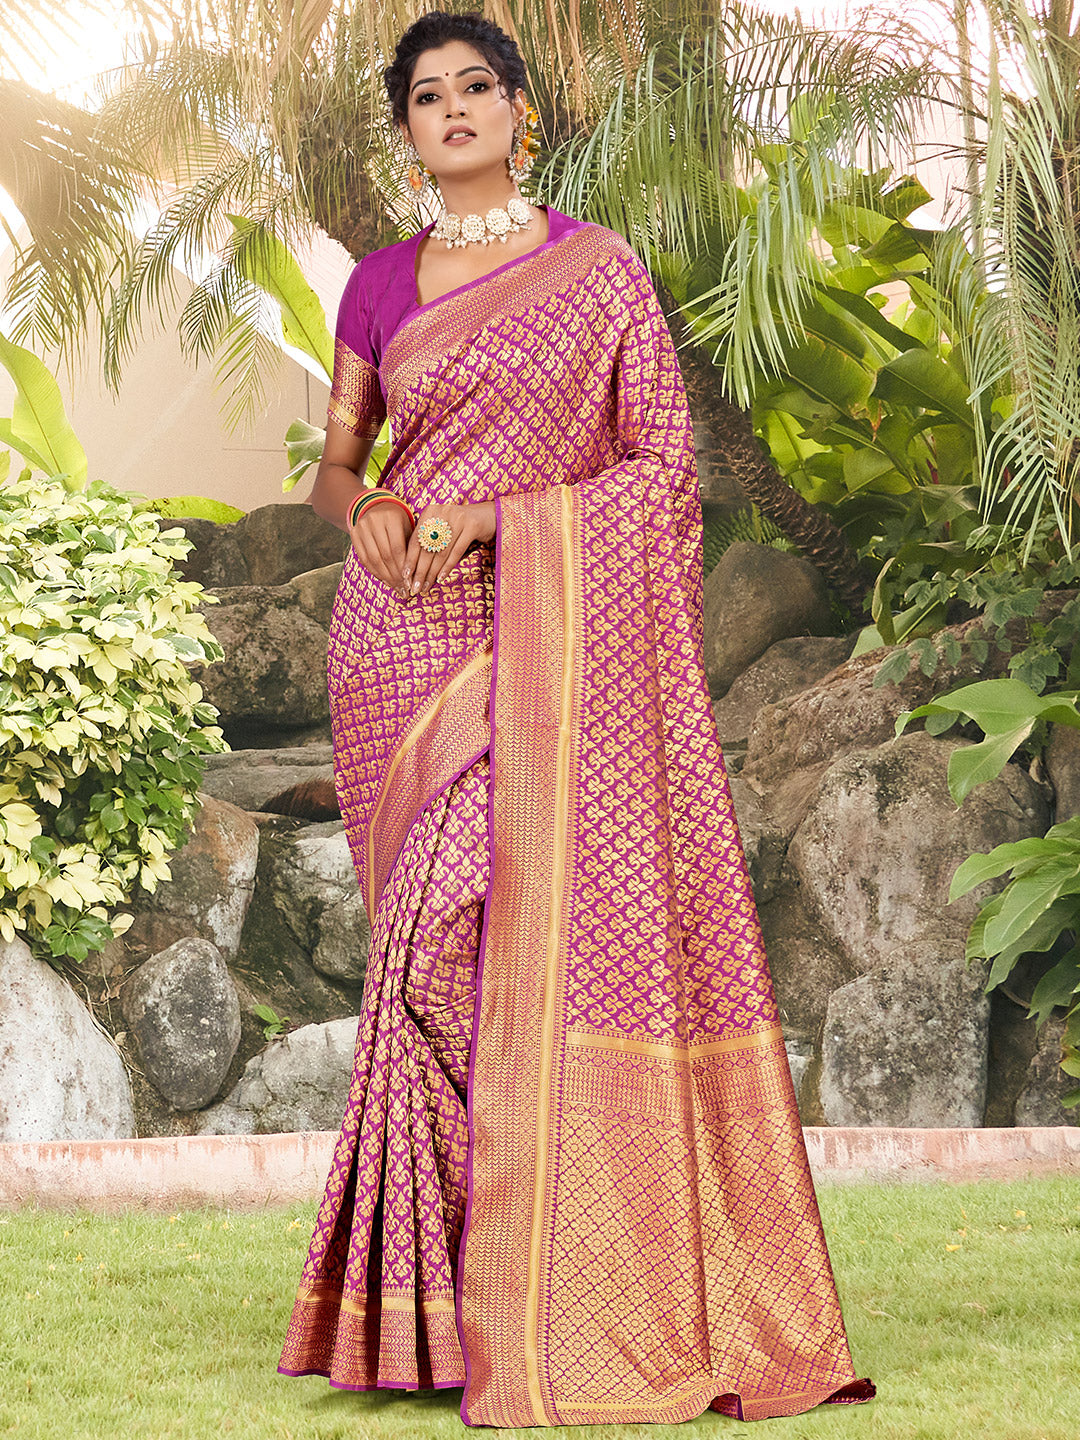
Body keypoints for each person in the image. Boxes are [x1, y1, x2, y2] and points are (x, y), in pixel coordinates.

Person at [276, 9, 874, 1429]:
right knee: (425, 961)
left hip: (553, 637)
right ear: (407, 133)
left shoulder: (600, 272)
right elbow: (336, 466)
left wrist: (497, 518)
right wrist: (368, 512)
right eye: (429, 96)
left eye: (478, 86)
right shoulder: (377, 284)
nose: (455, 109)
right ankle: (437, 1313)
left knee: (494, 935)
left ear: (520, 111)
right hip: (402, 641)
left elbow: (663, 470)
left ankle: (549, 1287)